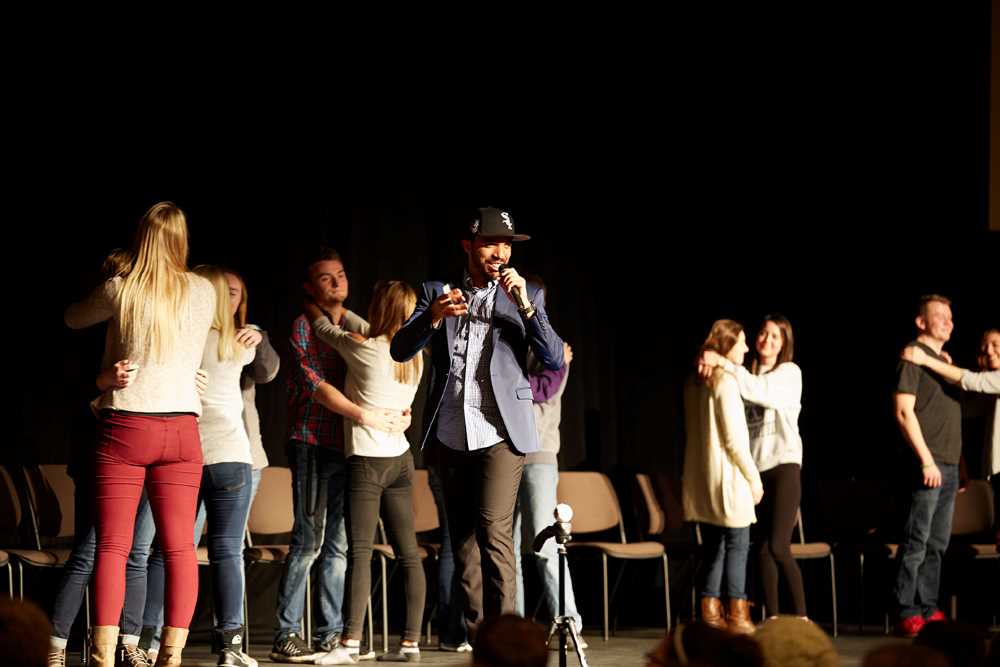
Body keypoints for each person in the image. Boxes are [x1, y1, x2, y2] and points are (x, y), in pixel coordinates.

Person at [390, 208, 564, 636]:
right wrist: (432, 316)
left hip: (501, 432)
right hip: (451, 432)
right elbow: (399, 350)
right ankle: (479, 638)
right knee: (463, 543)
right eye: (490, 243)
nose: (499, 252)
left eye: (506, 244)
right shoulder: (436, 291)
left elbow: (553, 357)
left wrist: (525, 305)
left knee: (494, 532)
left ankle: (507, 641)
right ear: (468, 246)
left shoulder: (528, 293)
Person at [64, 202, 216, 666]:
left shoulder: (122, 288)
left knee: (114, 546)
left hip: (128, 425)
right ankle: (170, 655)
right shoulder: (204, 290)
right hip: (183, 428)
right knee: (181, 548)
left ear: (142, 238)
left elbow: (72, 318)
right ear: (182, 239)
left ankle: (103, 657)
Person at [271, 247, 409, 663]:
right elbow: (316, 385)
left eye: (342, 275)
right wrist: (366, 415)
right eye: (326, 278)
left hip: (350, 448)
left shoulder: (358, 325)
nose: (337, 282)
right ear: (310, 287)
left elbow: (389, 362)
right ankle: (286, 633)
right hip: (313, 440)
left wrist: (400, 411)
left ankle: (331, 634)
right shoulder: (303, 326)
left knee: (338, 545)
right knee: (308, 542)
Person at [303, 280, 425, 663]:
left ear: (379, 310)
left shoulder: (365, 349)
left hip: (369, 461)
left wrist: (313, 304)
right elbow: (371, 329)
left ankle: (349, 644)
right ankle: (411, 643)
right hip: (401, 460)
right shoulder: (416, 356)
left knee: (359, 553)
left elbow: (324, 329)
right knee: (409, 554)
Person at [699, 315, 806, 619]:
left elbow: (760, 390)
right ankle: (772, 617)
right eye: (763, 333)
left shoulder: (789, 373)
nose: (767, 340)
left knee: (779, 546)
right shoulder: (742, 374)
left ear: (784, 344)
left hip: (784, 466)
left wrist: (722, 362)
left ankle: (802, 617)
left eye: (775, 336)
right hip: (756, 471)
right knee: (761, 548)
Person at [682, 319, 762, 635]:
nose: (746, 348)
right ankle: (738, 615)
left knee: (714, 545)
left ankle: (710, 614)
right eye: (741, 342)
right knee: (738, 544)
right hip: (728, 479)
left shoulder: (694, 382)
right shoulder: (725, 382)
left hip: (705, 479)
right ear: (727, 345)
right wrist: (753, 478)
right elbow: (734, 440)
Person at [892, 295, 962, 637]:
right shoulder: (912, 358)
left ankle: (928, 607)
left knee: (937, 543)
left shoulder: (943, 362)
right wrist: (926, 460)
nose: (949, 322)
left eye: (951, 317)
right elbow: (904, 412)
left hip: (949, 465)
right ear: (921, 322)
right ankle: (906, 610)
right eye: (940, 316)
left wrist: (958, 466)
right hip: (928, 463)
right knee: (917, 540)